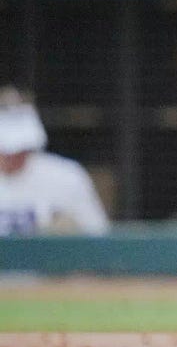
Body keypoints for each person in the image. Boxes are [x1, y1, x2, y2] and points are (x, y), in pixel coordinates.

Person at [0, 87, 109, 238]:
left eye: (19, 150)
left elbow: (99, 236)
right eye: (4, 151)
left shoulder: (67, 177)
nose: (11, 157)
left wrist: (70, 235)